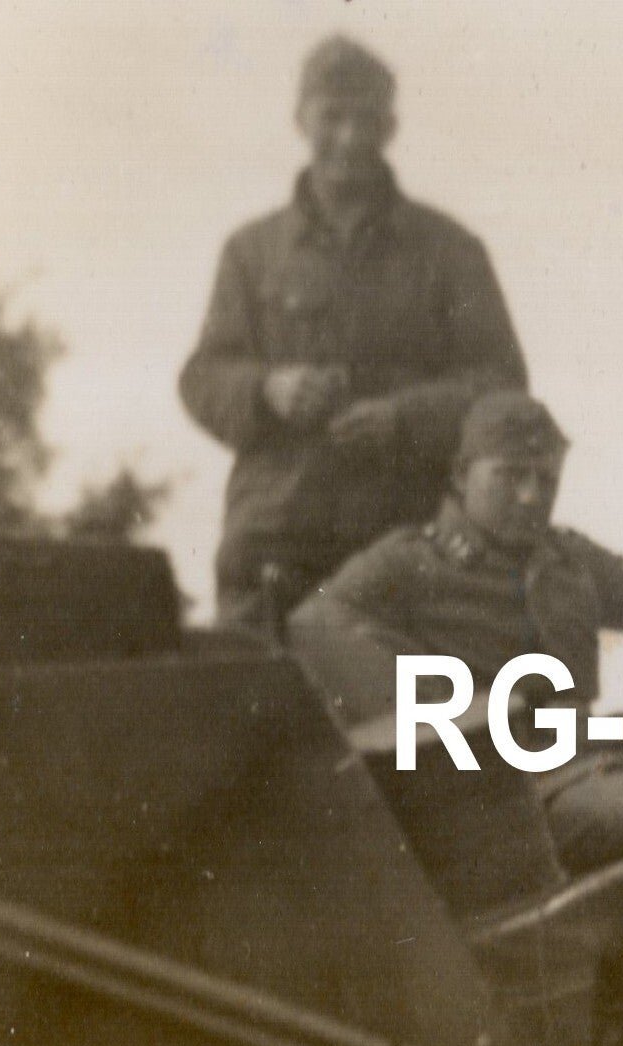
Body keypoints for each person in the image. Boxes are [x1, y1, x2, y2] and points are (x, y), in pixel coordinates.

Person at [289, 388, 623, 890]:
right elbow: (314, 625)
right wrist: (448, 709)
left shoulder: (566, 561)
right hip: (522, 801)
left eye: (546, 480)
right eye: (511, 475)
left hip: (601, 760)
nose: (530, 496)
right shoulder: (408, 563)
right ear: (460, 476)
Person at [181, 34, 528, 630]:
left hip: (401, 552)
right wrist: (270, 389)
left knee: (402, 724)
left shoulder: (449, 251)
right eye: (331, 115)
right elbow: (203, 377)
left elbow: (503, 387)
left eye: (365, 117)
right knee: (254, 717)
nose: (348, 135)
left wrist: (404, 419)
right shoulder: (252, 252)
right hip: (273, 549)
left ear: (390, 126)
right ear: (300, 119)